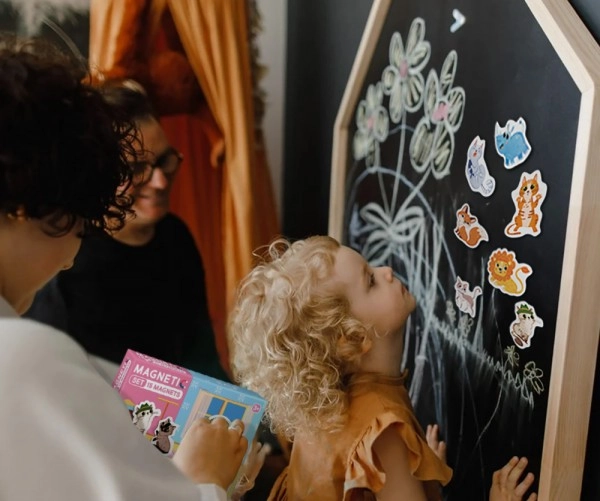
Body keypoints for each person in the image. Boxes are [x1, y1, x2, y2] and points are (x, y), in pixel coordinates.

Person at [0, 35, 247, 500]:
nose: (73, 249)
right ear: (27, 202)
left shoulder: (176, 240)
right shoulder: (26, 355)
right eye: (79, 215)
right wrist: (202, 481)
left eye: (166, 162)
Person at [228, 235, 538, 500]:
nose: (386, 271)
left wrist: (416, 471)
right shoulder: (383, 434)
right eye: (371, 281)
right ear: (351, 337)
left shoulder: (324, 409)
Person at [26, 79, 229, 382]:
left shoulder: (176, 237)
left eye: (164, 161)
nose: (160, 181)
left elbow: (202, 358)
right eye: (136, 169)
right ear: (94, 172)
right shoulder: (63, 264)